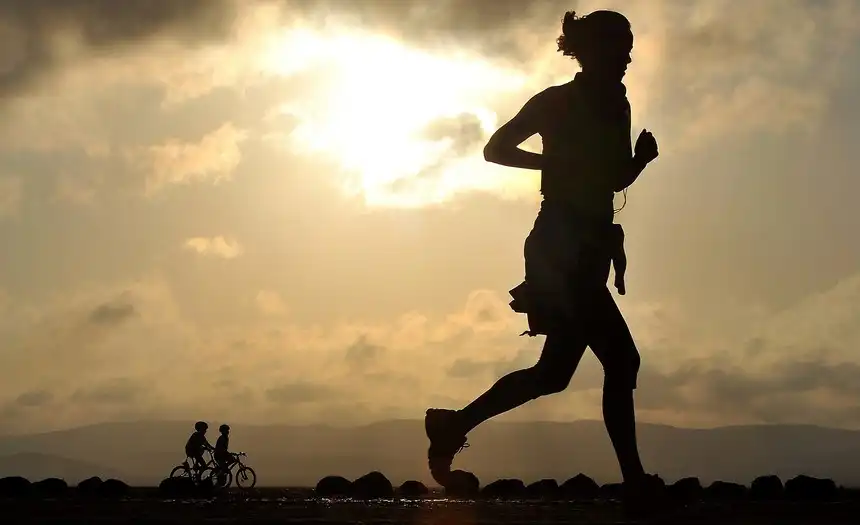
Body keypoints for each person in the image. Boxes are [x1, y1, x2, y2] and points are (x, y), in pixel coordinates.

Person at [424, 9, 663, 516]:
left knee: (552, 374)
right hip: (560, 245)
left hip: (592, 246)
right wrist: (551, 163)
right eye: (618, 46)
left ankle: (454, 424)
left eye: (629, 46)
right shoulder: (556, 103)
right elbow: (495, 149)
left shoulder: (618, 104)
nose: (627, 57)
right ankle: (635, 481)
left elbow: (612, 180)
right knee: (622, 360)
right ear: (589, 50)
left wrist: (639, 163)